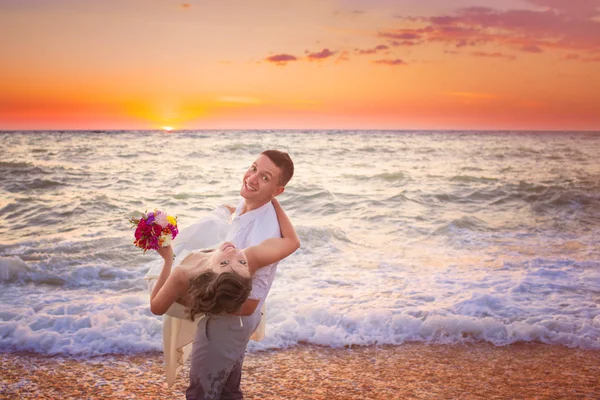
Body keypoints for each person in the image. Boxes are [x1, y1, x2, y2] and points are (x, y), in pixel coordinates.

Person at [145, 197, 299, 387]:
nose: (234, 254)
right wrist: (273, 200)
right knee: (213, 227)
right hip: (215, 288)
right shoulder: (245, 256)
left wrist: (168, 259)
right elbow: (292, 242)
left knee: (202, 391)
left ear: (210, 273)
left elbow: (156, 307)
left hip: (180, 295)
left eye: (225, 263)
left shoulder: (183, 274)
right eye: (242, 263)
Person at [186, 149, 295, 400]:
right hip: (233, 323)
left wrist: (195, 301)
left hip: (229, 322)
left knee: (201, 393)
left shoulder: (265, 234)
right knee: (227, 390)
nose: (252, 177)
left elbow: (249, 304)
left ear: (277, 191)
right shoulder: (248, 207)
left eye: (265, 177)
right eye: (253, 167)